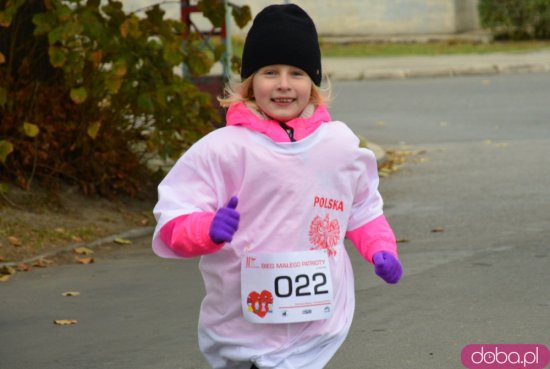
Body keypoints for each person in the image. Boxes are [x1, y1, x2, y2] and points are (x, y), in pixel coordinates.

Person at [152, 4, 403, 369]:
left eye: (297, 73)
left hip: (318, 328)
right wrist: (206, 229)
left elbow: (362, 208)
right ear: (250, 82)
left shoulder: (338, 146)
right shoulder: (222, 149)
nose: (284, 84)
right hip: (242, 328)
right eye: (270, 72)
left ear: (313, 83)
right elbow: (173, 217)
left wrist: (381, 248)